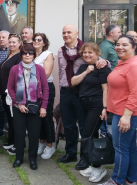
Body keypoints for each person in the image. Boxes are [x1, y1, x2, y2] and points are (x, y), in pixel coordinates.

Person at [57, 24, 108, 165]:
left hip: (80, 93)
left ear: (77, 33)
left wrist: (104, 61)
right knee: (68, 125)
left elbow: (97, 61)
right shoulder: (60, 51)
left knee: (85, 127)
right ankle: (71, 153)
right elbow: (62, 72)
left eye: (69, 32)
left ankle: (86, 157)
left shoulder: (84, 49)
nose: (66, 35)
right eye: (64, 32)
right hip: (66, 91)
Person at [98, 35, 137, 185]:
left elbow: (135, 93)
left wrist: (126, 116)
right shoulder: (123, 63)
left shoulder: (133, 66)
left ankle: (116, 180)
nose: (120, 47)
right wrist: (107, 107)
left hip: (125, 114)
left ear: (133, 47)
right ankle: (131, 179)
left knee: (120, 149)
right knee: (130, 148)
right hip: (121, 112)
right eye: (118, 44)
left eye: (125, 45)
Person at [71, 43, 110, 183]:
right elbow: (73, 81)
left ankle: (97, 167)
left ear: (97, 53)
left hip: (97, 105)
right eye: (85, 52)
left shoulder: (102, 67)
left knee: (87, 135)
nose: (87, 55)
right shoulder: (83, 67)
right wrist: (86, 72)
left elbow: (106, 89)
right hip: (84, 105)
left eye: (90, 53)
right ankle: (89, 162)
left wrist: (105, 108)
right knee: (90, 135)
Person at [7, 44, 49, 170]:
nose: (27, 55)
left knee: (34, 134)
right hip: (19, 106)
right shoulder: (15, 69)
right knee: (19, 134)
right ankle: (19, 158)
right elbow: (10, 88)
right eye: (25, 53)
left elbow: (46, 89)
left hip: (35, 106)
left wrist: (44, 107)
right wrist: (19, 103)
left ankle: (32, 159)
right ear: (21, 55)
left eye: (30, 53)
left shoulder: (39, 69)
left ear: (34, 55)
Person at [0, 34, 23, 155]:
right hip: (4, 92)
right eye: (10, 42)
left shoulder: (19, 57)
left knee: (16, 119)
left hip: (12, 93)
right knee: (10, 118)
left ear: (19, 44)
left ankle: (19, 145)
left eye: (14, 42)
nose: (12, 44)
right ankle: (12, 141)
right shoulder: (10, 55)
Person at [33, 33, 56, 160]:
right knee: (38, 117)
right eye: (34, 39)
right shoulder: (31, 55)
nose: (36, 41)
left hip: (46, 88)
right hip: (34, 90)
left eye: (39, 40)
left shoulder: (48, 54)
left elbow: (46, 74)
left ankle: (50, 145)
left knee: (47, 116)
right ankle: (41, 142)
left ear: (44, 43)